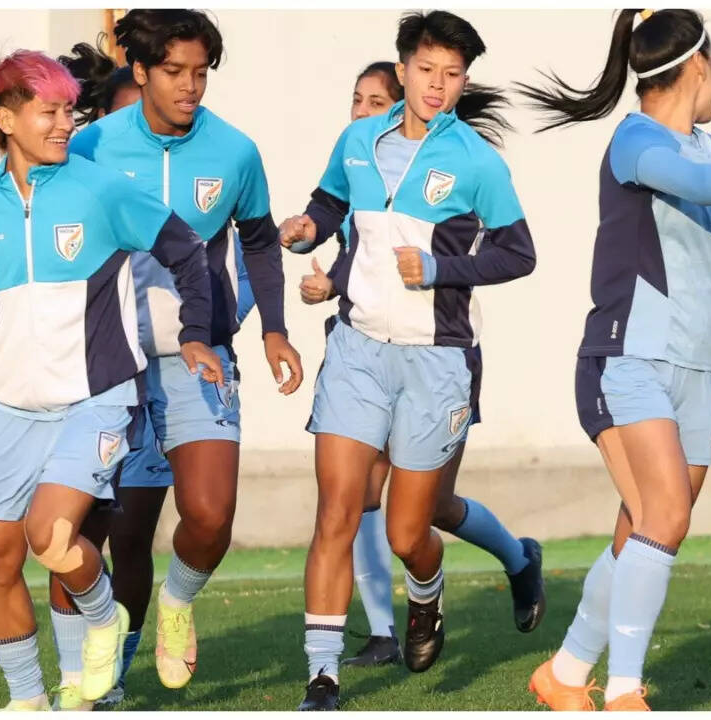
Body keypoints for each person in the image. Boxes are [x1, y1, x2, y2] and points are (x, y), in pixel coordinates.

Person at [0, 49, 222, 710]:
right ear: (6, 119)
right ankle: (28, 701)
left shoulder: (99, 188)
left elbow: (185, 250)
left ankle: (106, 619)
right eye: (49, 112)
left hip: (99, 399)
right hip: (13, 410)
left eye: (67, 110)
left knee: (50, 536)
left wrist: (196, 332)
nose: (64, 124)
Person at [514, 9, 711, 710]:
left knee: (646, 530)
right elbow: (687, 182)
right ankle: (625, 690)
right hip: (627, 358)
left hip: (693, 369)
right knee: (664, 518)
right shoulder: (636, 141)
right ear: (698, 65)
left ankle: (564, 675)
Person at [279, 10, 538, 710]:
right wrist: (306, 232)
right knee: (337, 508)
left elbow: (520, 254)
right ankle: (323, 673)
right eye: (426, 70)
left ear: (464, 81)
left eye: (453, 75)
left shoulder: (478, 162)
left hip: (437, 360)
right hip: (358, 350)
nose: (438, 85)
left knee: (406, 533)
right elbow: (330, 204)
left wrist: (438, 266)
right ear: (402, 71)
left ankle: (427, 591)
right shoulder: (359, 139)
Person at [67, 8, 303, 696]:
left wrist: (274, 330)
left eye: (200, 72)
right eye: (174, 72)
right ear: (139, 73)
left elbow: (258, 241)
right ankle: (94, 680)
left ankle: (175, 606)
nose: (190, 85)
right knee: (95, 529)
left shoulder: (235, 151)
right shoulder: (92, 147)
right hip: (110, 365)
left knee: (210, 514)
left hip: (200, 356)